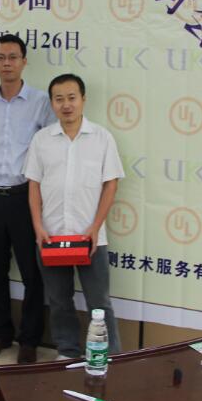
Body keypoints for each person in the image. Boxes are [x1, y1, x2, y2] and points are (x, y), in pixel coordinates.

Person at [24, 73, 124, 358]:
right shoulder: (42, 140)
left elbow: (111, 184)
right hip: (51, 235)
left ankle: (108, 356)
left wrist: (95, 226)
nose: (66, 105)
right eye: (59, 99)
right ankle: (67, 351)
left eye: (71, 98)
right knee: (58, 300)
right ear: (52, 103)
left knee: (99, 302)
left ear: (83, 100)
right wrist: (38, 227)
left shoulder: (102, 138)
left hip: (90, 237)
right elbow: (34, 186)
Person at [0, 34, 54, 364]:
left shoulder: (41, 101)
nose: (6, 63)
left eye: (13, 57)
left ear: (24, 61)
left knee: (33, 272)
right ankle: (0, 333)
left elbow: (52, 145)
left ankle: (29, 340)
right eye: (0, 57)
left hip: (25, 198)